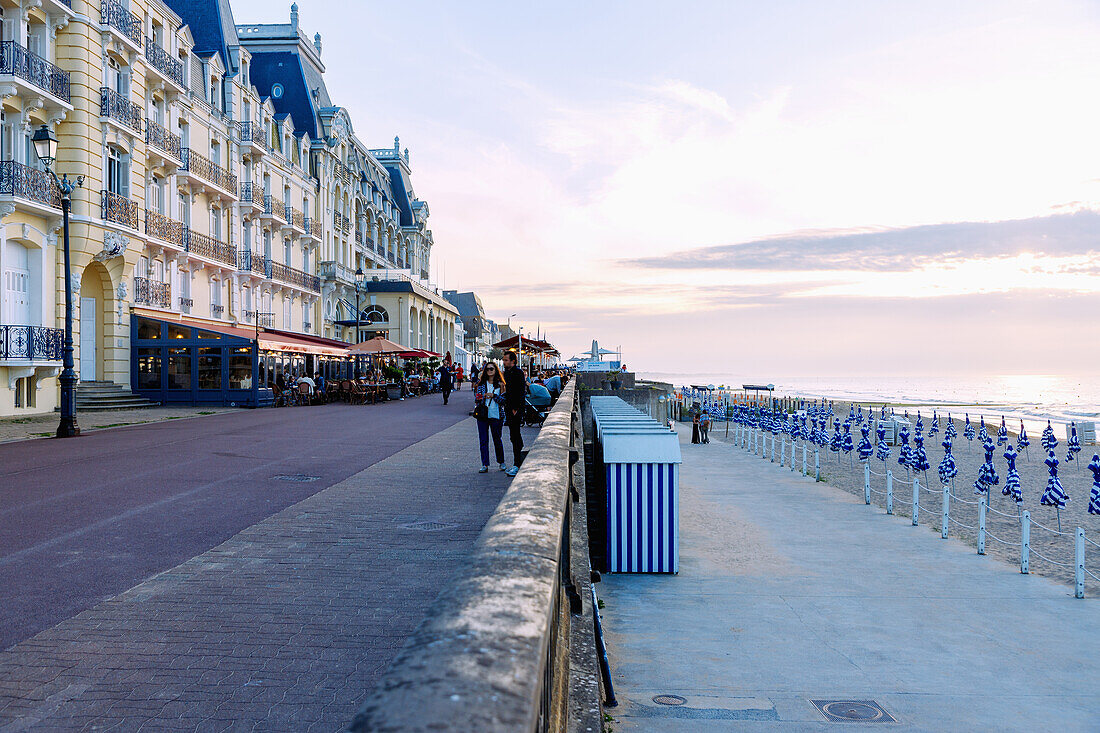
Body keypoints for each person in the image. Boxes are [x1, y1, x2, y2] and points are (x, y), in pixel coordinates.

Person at [474, 362, 507, 473]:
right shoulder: (481, 384)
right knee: (483, 440)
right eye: (487, 369)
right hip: (483, 416)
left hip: (496, 415)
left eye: (491, 369)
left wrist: (494, 396)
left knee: (497, 439)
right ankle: (485, 464)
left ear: (495, 370)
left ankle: (501, 462)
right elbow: (477, 399)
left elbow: (504, 401)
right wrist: (482, 397)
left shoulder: (501, 384)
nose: (489, 371)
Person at [502, 351, 527, 476]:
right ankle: (518, 460)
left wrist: (516, 407)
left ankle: (518, 463)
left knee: (515, 435)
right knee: (513, 436)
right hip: (509, 408)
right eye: (504, 360)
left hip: (515, 409)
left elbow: (520, 391)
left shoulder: (518, 373)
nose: (504, 362)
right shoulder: (507, 373)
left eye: (506, 360)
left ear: (513, 361)